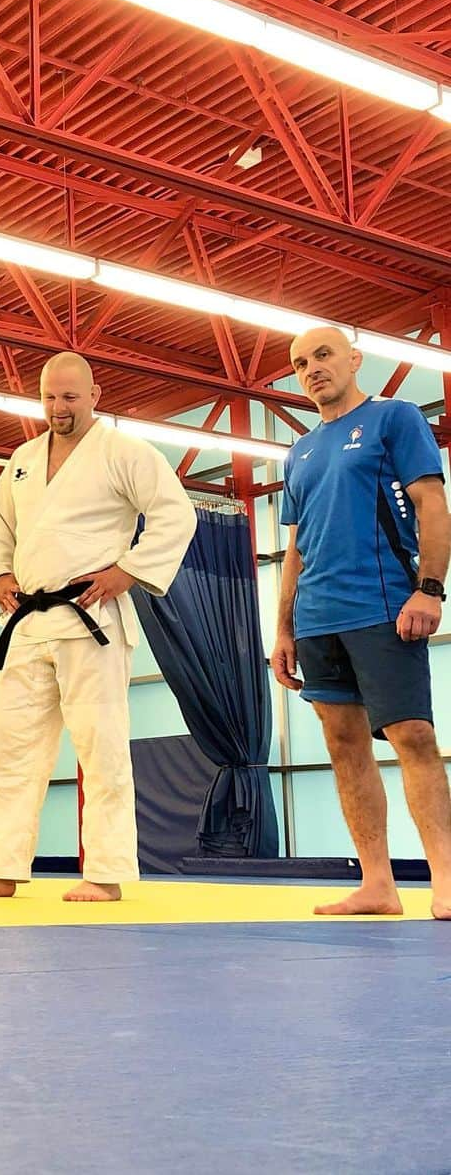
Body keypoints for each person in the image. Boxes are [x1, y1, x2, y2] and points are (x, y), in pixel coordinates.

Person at [0, 352, 196, 903]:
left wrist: (128, 571)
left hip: (90, 619)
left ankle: (105, 873)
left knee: (100, 750)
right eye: (51, 397)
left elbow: (176, 513)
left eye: (71, 397)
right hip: (29, 621)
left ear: (95, 395)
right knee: (6, 749)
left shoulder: (123, 452)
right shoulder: (24, 459)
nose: (59, 407)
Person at [271, 325, 451, 920]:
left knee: (414, 738)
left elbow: (430, 502)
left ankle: (446, 880)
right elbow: (295, 546)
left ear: (353, 359)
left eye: (323, 355)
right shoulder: (298, 452)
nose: (312, 368)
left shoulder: (394, 419)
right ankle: (378, 883)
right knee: (344, 745)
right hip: (317, 617)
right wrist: (283, 628)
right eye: (300, 363)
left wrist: (428, 589)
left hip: (382, 604)